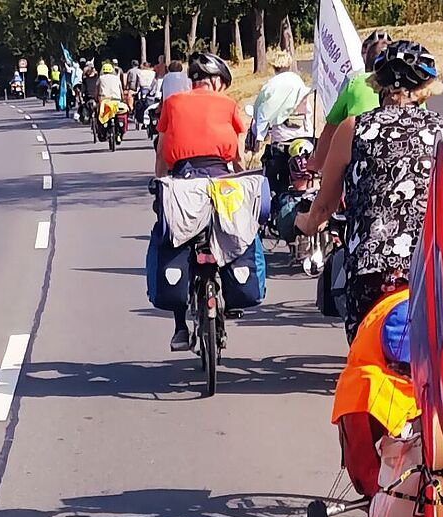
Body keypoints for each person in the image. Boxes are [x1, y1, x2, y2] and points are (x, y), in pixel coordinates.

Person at [295, 41, 443, 344]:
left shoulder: (353, 129)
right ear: (426, 88)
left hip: (372, 271)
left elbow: (325, 205)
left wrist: (306, 223)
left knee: (365, 350)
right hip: (435, 270)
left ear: (377, 85)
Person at [154, 52, 245, 350]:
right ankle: (234, 295)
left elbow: (162, 150)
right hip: (221, 184)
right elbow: (238, 156)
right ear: (217, 81)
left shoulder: (172, 103)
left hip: (183, 183)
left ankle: (179, 327)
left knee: (170, 241)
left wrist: (160, 184)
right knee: (240, 233)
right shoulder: (229, 104)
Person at [308, 30, 391, 172]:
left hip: (362, 166)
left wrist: (316, 164)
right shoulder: (409, 91)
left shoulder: (356, 83)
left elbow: (330, 131)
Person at [250, 49, 313, 197]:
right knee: (302, 173)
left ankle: (281, 203)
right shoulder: (299, 82)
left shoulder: (270, 86)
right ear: (289, 65)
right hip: (304, 135)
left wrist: (259, 135)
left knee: (278, 177)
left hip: (281, 138)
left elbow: (261, 111)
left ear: (273, 67)